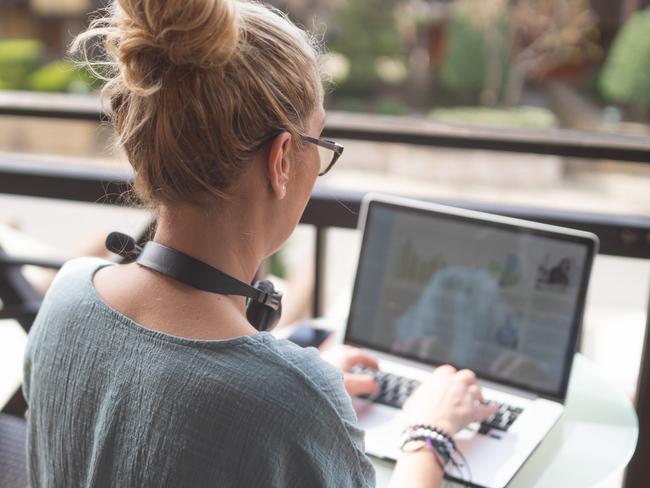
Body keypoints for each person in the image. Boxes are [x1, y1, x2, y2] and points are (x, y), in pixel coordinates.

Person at [22, 1, 497, 486]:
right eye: (320, 140)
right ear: (283, 159)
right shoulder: (292, 404)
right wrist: (428, 435)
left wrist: (286, 376)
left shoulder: (67, 295)